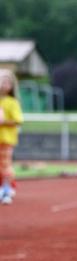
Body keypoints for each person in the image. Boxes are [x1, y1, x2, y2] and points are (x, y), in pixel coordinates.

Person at [0, 70, 23, 205]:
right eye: (2, 81)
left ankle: (7, 189)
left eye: (7, 82)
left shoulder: (12, 102)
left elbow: (18, 120)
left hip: (6, 140)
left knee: (5, 164)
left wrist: (4, 122)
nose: (3, 85)